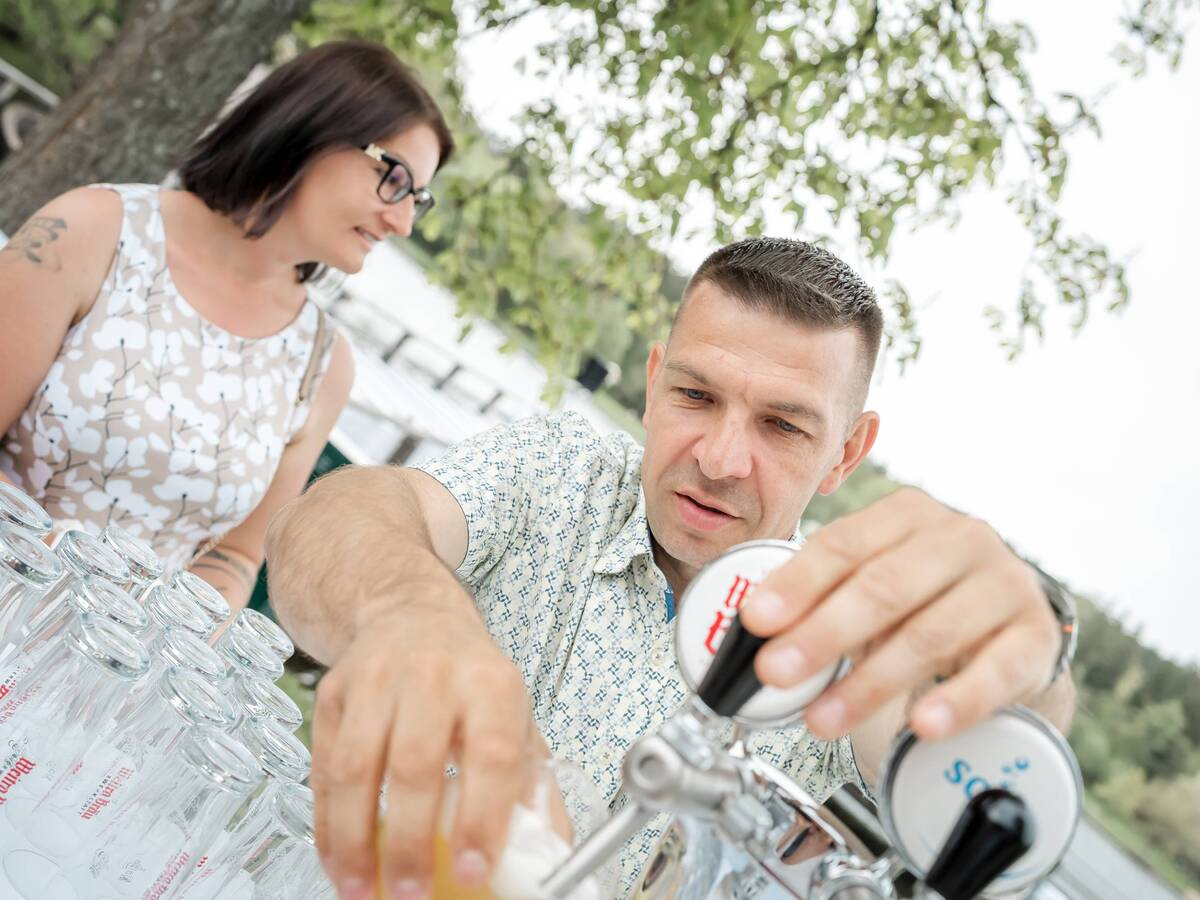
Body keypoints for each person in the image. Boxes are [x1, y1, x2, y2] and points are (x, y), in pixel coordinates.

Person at [264, 238, 1077, 899]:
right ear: (653, 385)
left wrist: (1029, 645)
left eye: (783, 427)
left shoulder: (844, 628)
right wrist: (410, 617)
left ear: (846, 452)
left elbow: (978, 739)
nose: (720, 460)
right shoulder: (560, 472)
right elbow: (338, 519)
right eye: (696, 396)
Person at [0, 41, 452, 610]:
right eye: (395, 179)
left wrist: (173, 632)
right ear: (311, 129)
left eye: (418, 198)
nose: (404, 222)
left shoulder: (322, 364)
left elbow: (234, 556)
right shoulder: (93, 232)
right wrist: (54, 589)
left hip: (110, 655)